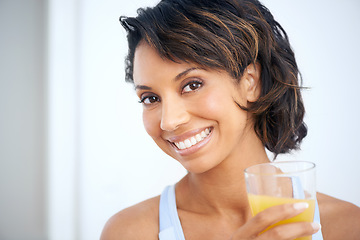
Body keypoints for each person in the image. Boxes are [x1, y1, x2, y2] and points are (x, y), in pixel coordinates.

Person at [101, 0, 360, 239]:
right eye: (150, 98)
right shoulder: (130, 231)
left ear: (250, 83)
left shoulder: (347, 226)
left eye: (192, 85)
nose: (169, 121)